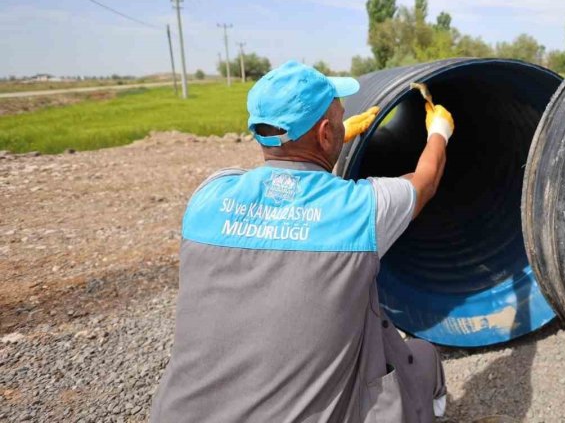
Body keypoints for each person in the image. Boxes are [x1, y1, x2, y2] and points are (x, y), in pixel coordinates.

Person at [150, 60, 454, 422]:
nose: (344, 124)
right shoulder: (358, 211)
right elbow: (425, 181)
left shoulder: (208, 196)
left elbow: (274, 168)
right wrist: (439, 131)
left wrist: (331, 141)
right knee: (420, 357)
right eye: (340, 119)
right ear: (325, 133)